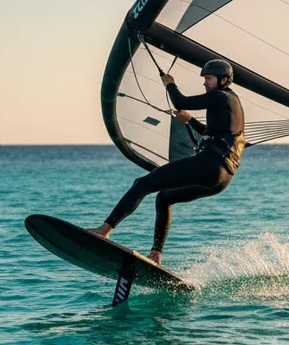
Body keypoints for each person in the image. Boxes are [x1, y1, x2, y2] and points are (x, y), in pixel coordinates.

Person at [90, 59, 245, 265]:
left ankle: (104, 230)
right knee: (164, 198)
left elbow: (180, 101)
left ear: (224, 79)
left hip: (209, 165)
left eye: (208, 78)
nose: (205, 83)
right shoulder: (232, 102)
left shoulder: (219, 96)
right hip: (222, 179)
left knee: (142, 184)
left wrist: (169, 83)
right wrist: (190, 120)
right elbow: (213, 134)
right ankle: (156, 255)